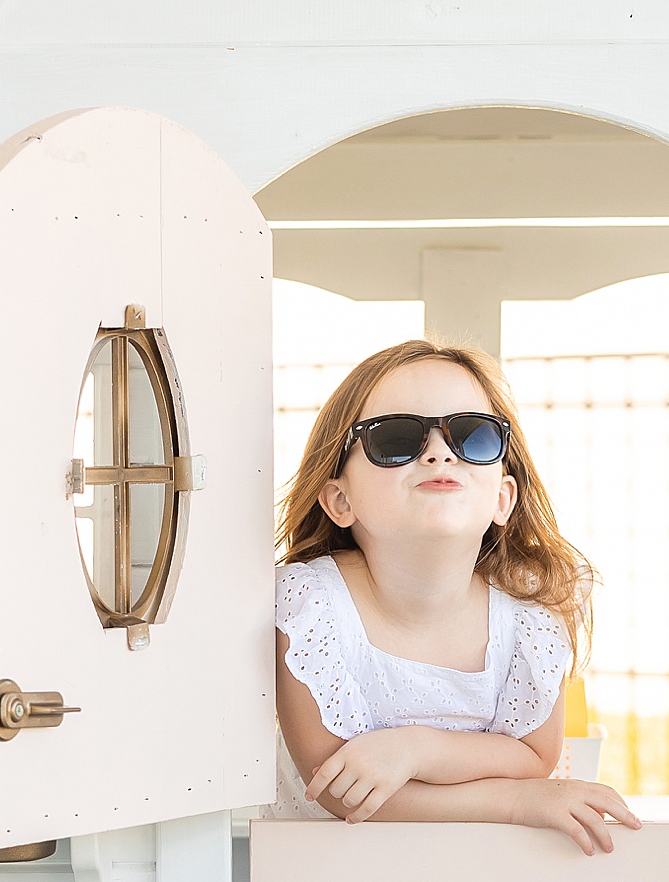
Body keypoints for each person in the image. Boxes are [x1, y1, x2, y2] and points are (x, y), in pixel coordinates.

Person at [273, 340, 641, 854]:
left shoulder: (532, 617)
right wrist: (515, 803)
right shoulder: (309, 606)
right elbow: (340, 791)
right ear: (340, 499)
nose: (439, 452)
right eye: (396, 437)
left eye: (472, 435)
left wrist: (416, 750)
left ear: (502, 497)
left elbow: (532, 757)